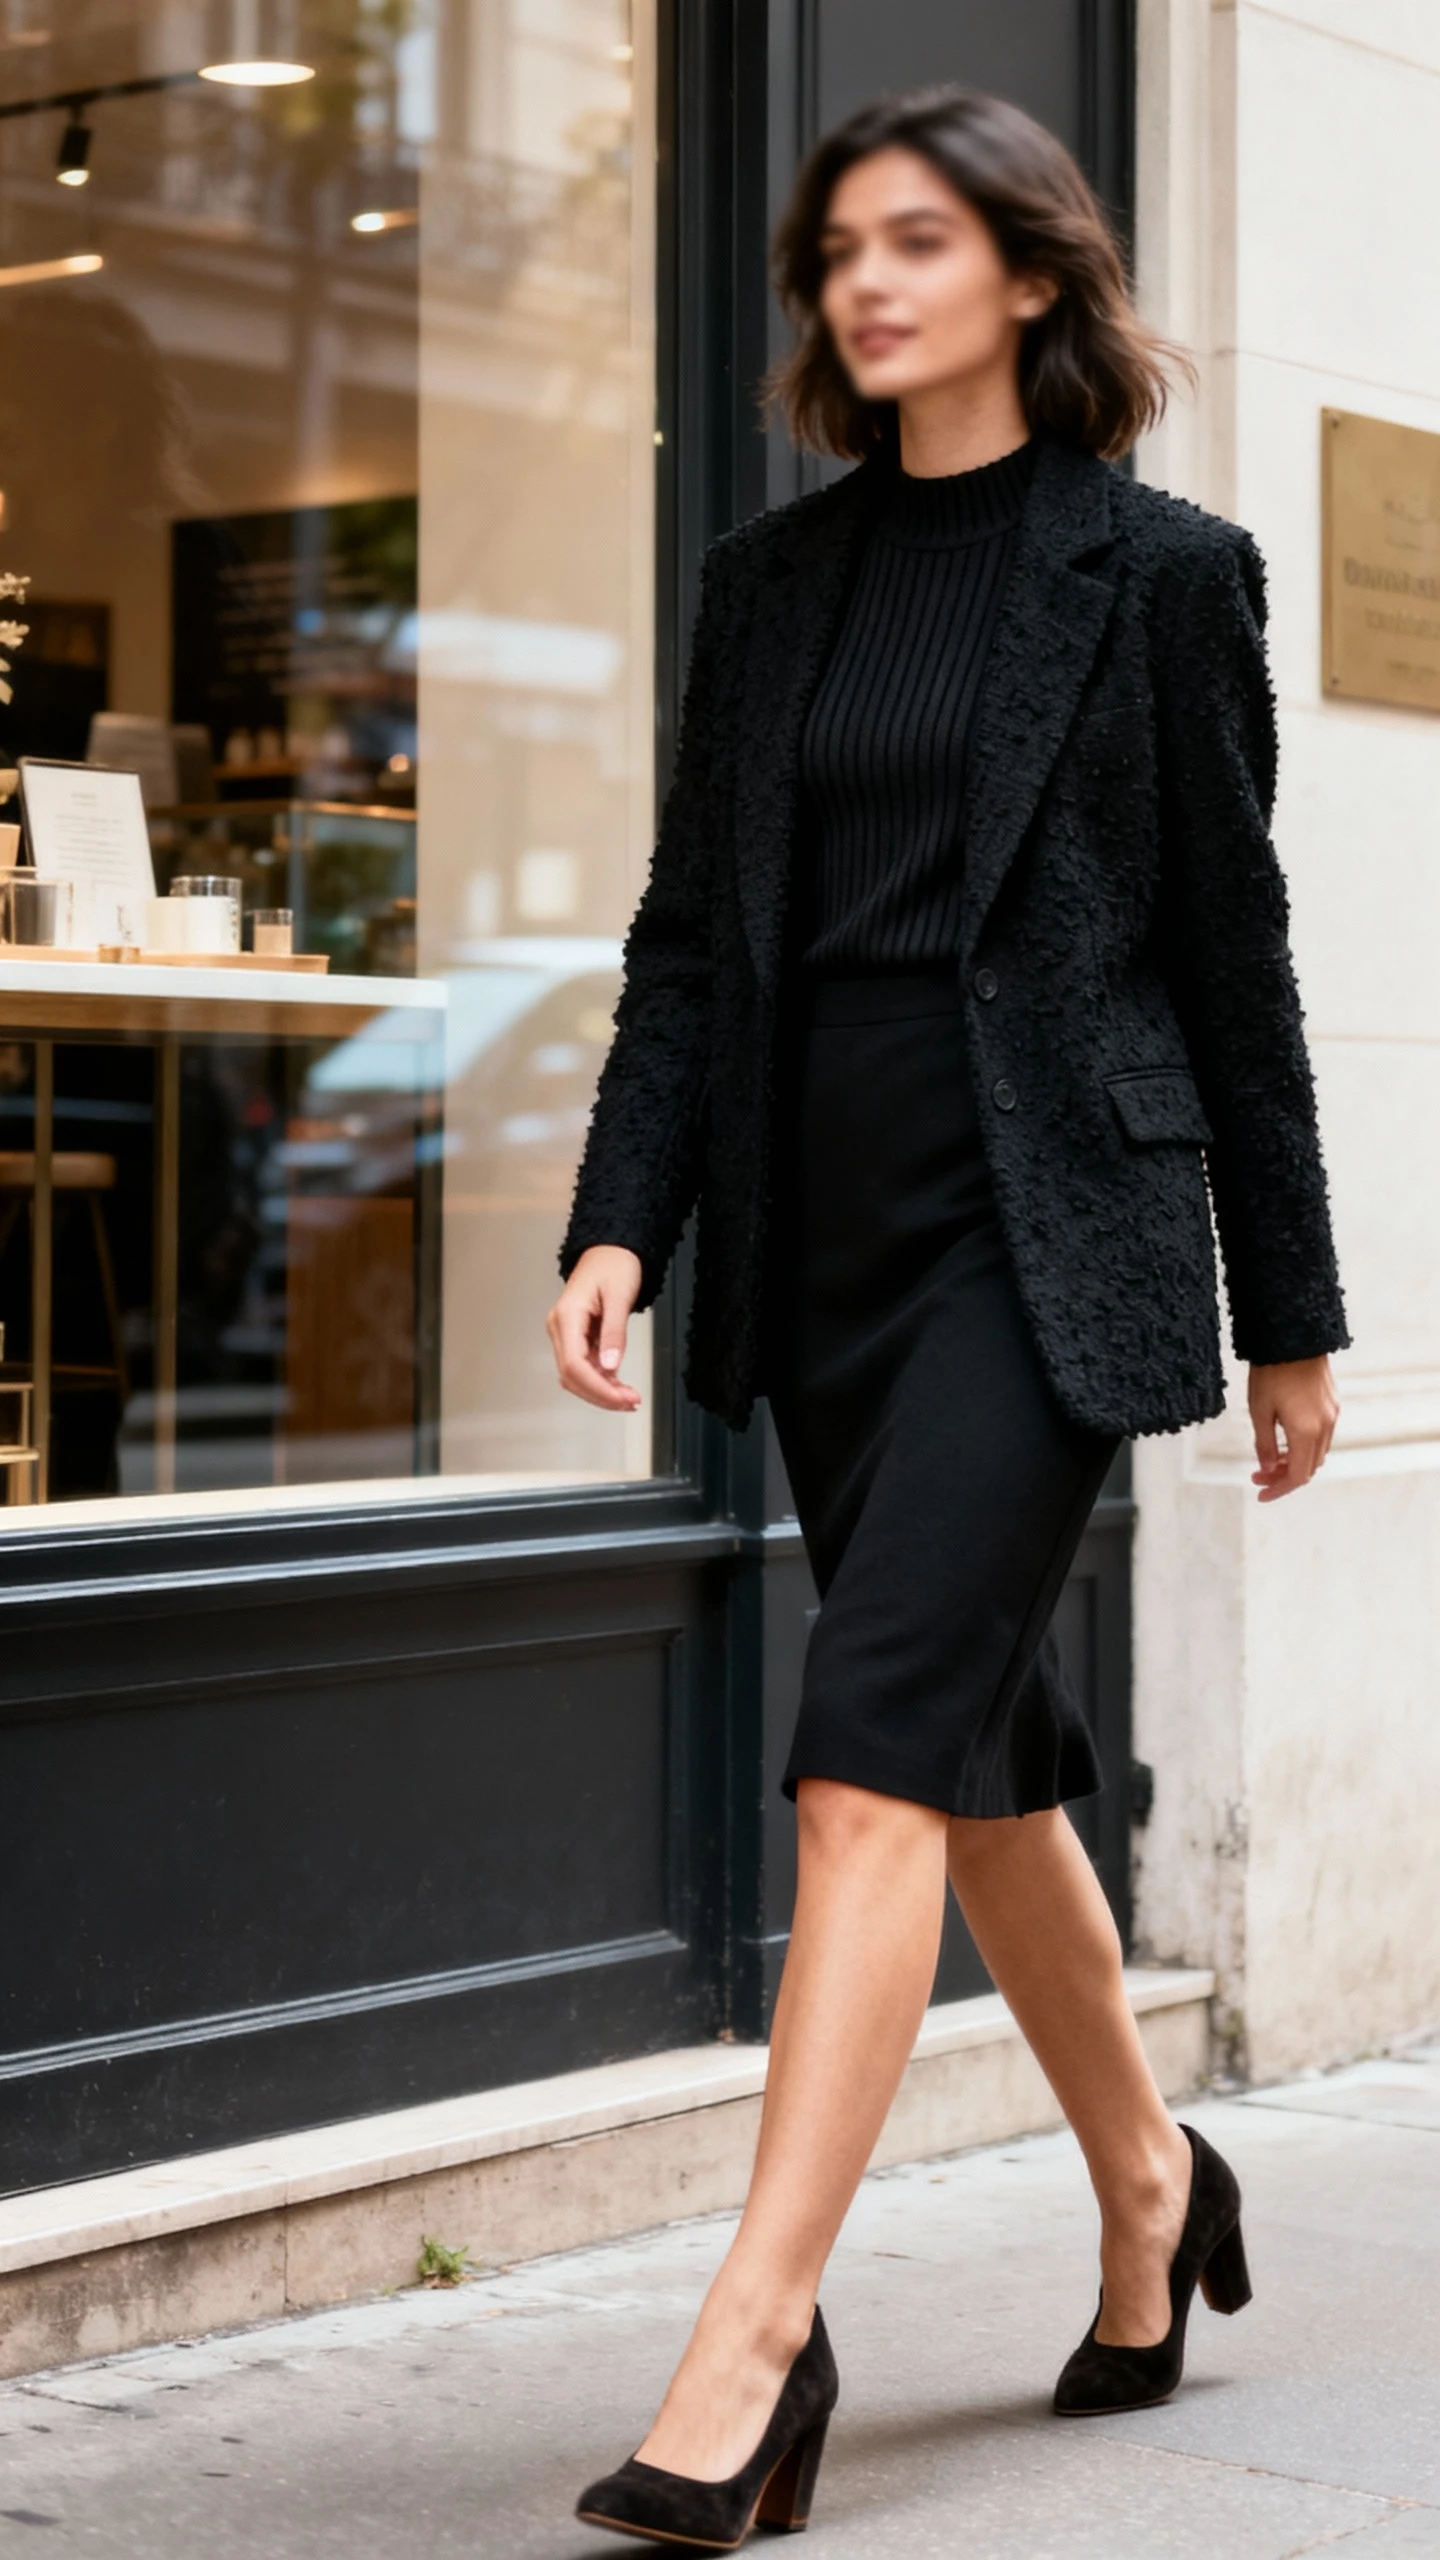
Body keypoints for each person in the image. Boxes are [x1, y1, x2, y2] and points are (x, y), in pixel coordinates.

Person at [548, 84, 1347, 2553]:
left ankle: (754, 2340)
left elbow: (1235, 960)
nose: (863, 283)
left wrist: (1292, 1308)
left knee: (870, 1750)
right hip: (825, 1231)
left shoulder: (1165, 575)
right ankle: (1153, 2183)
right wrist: (623, 1213)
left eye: (916, 239)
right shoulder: (767, 586)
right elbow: (693, 939)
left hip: (1044, 1230)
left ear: (1030, 269)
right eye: (837, 250)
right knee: (980, 1764)